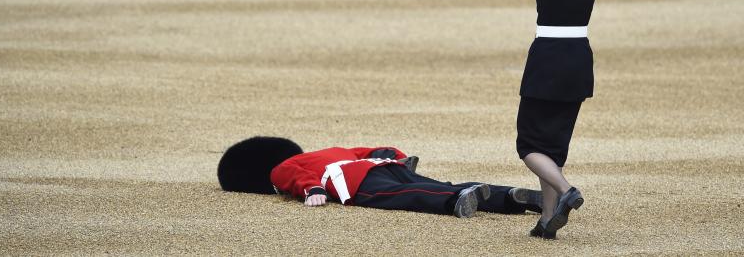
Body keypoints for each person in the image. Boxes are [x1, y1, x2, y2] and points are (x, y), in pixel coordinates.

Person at [485, 0, 608, 239]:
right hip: (579, 60)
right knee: (552, 148)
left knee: (528, 145)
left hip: (547, 60)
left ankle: (567, 190)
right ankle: (547, 221)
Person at [217, 136, 544, 219]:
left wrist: (313, 190)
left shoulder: (282, 168)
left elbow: (294, 177)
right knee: (436, 183)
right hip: (382, 164)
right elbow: (363, 149)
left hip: (357, 182)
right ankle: (509, 196)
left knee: (409, 195)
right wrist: (395, 155)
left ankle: (455, 201)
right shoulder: (328, 149)